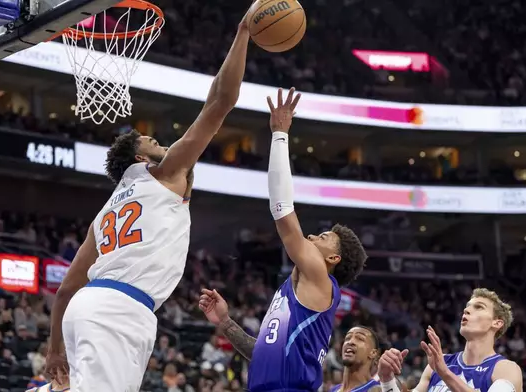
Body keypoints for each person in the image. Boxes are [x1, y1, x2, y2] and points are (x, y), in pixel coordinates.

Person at [44, 6, 251, 391]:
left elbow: (66, 289)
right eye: (154, 142)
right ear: (141, 159)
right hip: (118, 311)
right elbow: (220, 102)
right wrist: (242, 32)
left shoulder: (105, 212)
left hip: (96, 309)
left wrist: (56, 348)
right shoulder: (166, 173)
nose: (163, 144)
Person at [199, 88, 368, 392]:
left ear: (333, 259)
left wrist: (279, 135)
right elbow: (261, 353)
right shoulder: (295, 292)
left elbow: (283, 212)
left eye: (324, 237)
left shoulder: (320, 278)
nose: (313, 236)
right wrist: (225, 323)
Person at [378, 288, 523, 392]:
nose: (466, 310)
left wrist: (445, 373)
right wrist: (387, 378)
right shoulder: (439, 364)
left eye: (479, 307)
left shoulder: (506, 369)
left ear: (497, 323)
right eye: (467, 307)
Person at [329, 326, 382, 392]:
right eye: (347, 338)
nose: (350, 342)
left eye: (360, 338)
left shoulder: (378, 389)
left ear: (373, 353)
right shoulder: (333, 390)